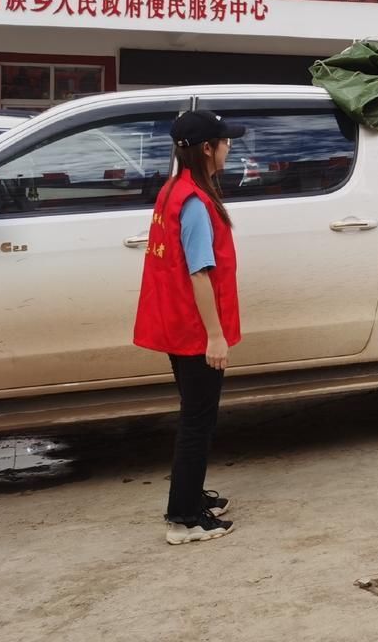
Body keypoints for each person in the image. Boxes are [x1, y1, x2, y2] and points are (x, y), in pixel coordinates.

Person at [134, 109, 245, 546]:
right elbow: (200, 273)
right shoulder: (196, 202)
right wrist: (215, 336)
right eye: (224, 140)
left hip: (178, 324)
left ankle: (192, 495)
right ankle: (183, 518)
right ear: (206, 149)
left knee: (194, 414)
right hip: (196, 330)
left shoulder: (174, 191)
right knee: (198, 421)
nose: (229, 145)